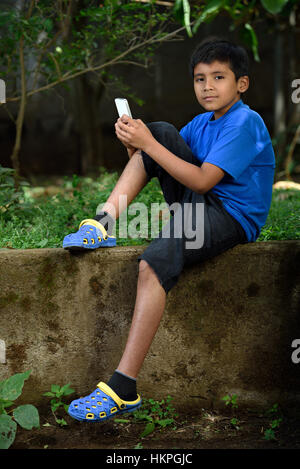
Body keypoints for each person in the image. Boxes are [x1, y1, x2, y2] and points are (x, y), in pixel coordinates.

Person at [63, 37, 275, 422]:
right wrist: (139, 148)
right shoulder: (200, 123)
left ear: (241, 84)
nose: (207, 87)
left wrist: (150, 146)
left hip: (229, 216)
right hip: (199, 205)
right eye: (199, 79)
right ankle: (103, 223)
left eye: (218, 77)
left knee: (155, 262)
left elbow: (202, 182)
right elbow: (165, 159)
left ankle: (123, 386)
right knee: (158, 129)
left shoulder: (246, 122)